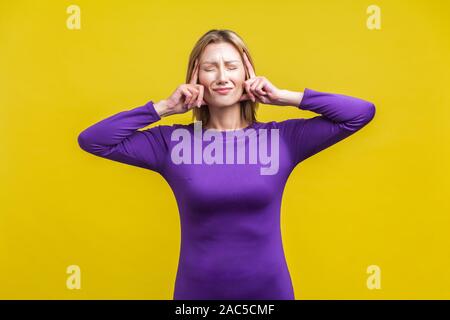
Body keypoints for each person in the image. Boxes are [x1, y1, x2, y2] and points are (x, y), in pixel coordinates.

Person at [77, 29, 376, 300]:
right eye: (210, 68)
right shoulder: (171, 143)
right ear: (196, 77)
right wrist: (165, 107)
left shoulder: (282, 139)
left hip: (269, 295)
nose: (222, 77)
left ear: (247, 74)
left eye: (232, 67)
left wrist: (284, 97)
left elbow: (360, 113)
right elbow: (94, 140)